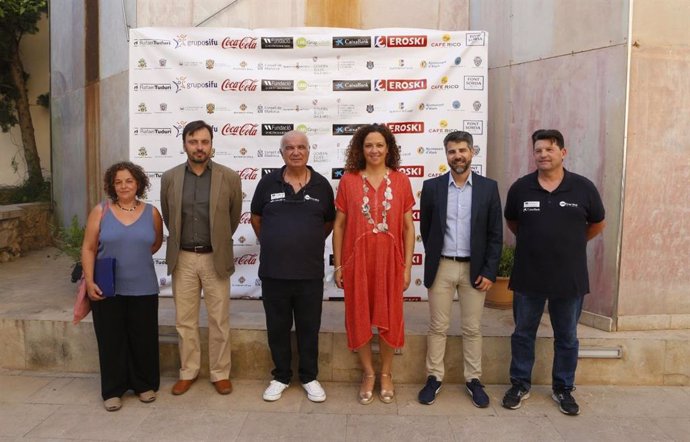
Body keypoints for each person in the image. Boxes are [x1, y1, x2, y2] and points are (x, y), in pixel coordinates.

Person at [501, 129, 606, 416]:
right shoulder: (521, 188)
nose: (543, 155)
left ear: (563, 152)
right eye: (538, 150)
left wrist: (571, 243)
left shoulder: (583, 188)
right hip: (528, 275)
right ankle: (520, 384)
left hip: (568, 277)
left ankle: (563, 388)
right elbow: (513, 222)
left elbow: (597, 223)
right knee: (523, 333)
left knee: (567, 336)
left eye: (549, 149)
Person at [417, 131, 502, 407]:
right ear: (446, 155)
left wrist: (489, 271)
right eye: (452, 151)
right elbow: (427, 228)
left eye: (463, 150)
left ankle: (474, 379)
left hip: (474, 270)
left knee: (472, 328)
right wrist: (435, 259)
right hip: (441, 266)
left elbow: (495, 234)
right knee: (438, 326)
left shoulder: (489, 188)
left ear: (472, 152)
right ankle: (434, 377)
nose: (458, 156)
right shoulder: (432, 188)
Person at [332, 123, 415, 405]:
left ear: (388, 148)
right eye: (369, 145)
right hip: (357, 261)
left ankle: (386, 373)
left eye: (380, 145)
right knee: (360, 316)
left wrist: (407, 268)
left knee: (390, 317)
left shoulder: (402, 181)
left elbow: (408, 227)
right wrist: (339, 265)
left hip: (391, 262)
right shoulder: (349, 181)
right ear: (360, 149)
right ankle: (368, 373)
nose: (374, 150)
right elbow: (340, 227)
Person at [250, 131, 335, 403]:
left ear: (309, 151)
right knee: (278, 327)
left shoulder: (322, 186)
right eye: (289, 148)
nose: (295, 152)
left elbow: (328, 224)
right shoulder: (266, 183)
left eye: (301, 147)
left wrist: (303, 242)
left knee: (309, 327)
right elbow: (256, 219)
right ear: (282, 152)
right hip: (274, 273)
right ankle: (281, 376)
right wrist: (277, 243)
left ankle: (309, 376)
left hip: (309, 274)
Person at [160, 120, 242, 396]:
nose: (199, 147)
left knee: (219, 320)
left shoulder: (229, 177)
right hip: (182, 257)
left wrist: (215, 242)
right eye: (193, 141)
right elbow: (170, 217)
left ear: (211, 145)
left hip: (214, 258)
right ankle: (188, 371)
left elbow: (232, 218)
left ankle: (220, 373)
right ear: (184, 144)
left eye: (204, 142)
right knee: (185, 320)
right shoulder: (170, 177)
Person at [81, 161, 163, 411]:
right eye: (118, 182)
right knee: (110, 339)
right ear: (112, 185)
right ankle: (113, 390)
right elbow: (88, 248)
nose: (124, 185)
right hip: (107, 287)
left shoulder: (152, 212)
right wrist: (90, 280)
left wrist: (132, 255)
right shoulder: (101, 211)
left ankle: (143, 385)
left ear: (138, 183)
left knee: (144, 338)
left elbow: (155, 244)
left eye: (129, 180)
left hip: (144, 286)